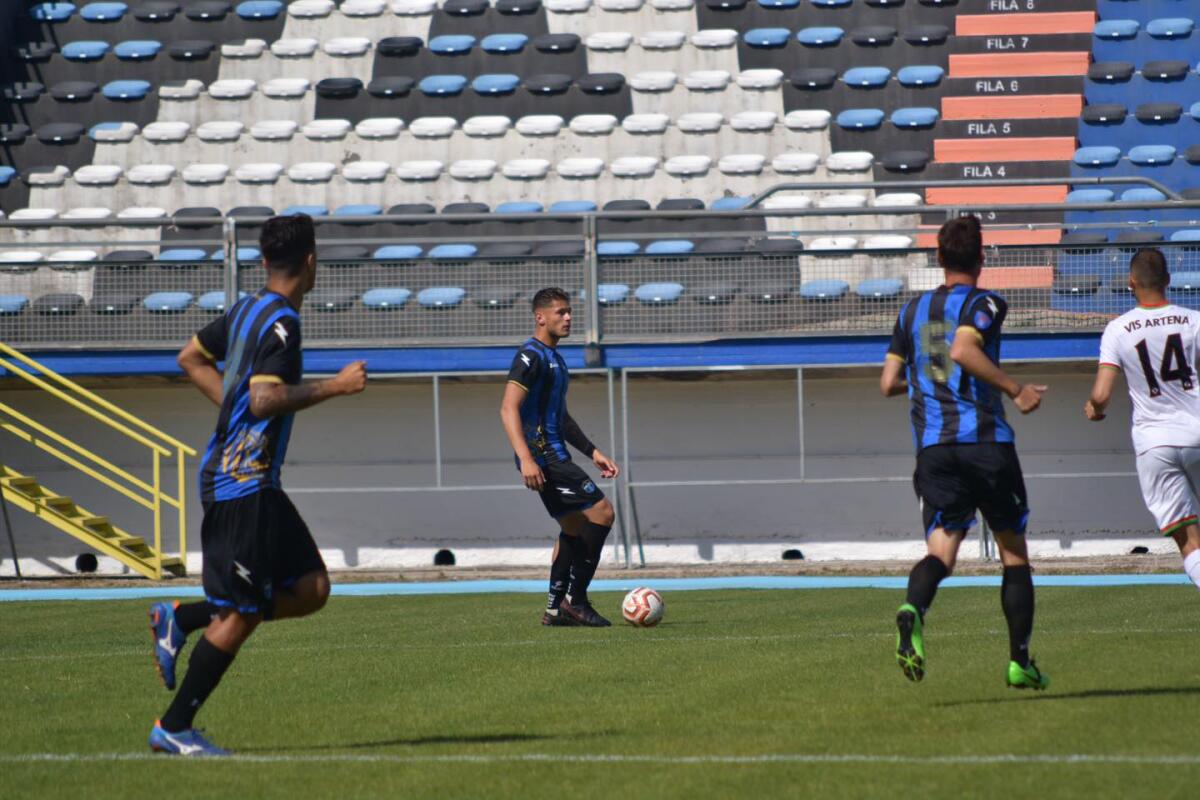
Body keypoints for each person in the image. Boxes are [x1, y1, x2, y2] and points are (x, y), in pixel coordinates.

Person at [146, 214, 367, 755]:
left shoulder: (249, 309)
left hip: (256, 480)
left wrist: (236, 408)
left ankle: (183, 617)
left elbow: (190, 357)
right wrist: (335, 388)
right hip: (238, 483)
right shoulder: (283, 325)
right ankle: (173, 728)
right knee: (242, 615)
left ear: (265, 262)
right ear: (311, 261)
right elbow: (266, 398)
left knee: (312, 588)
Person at [879, 214, 1050, 690]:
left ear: (938, 257)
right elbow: (962, 351)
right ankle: (1019, 661)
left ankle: (914, 607)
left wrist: (924, 384)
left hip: (934, 449)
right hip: (986, 443)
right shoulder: (987, 302)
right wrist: (1016, 389)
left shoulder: (910, 311)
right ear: (981, 257)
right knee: (1013, 553)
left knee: (942, 553)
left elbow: (888, 382)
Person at [500, 287, 620, 627]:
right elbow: (508, 408)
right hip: (542, 455)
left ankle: (555, 610)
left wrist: (593, 452)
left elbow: (561, 417)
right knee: (602, 512)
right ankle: (577, 601)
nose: (568, 318)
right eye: (561, 313)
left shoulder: (557, 359)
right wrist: (526, 458)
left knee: (573, 525)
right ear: (541, 317)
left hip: (555, 451)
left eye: (569, 312)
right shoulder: (530, 355)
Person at [1085, 248, 1200, 590]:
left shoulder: (1119, 329)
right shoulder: (1194, 320)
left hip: (1155, 445)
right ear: (1168, 280)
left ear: (1130, 282)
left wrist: (1095, 408)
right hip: (1197, 432)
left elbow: (1102, 394)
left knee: (1190, 542)